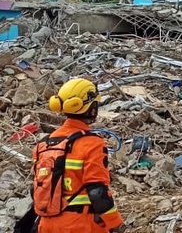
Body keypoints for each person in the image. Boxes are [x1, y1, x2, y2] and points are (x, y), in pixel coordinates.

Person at [30, 78, 125, 232]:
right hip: (80, 224)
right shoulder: (92, 143)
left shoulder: (43, 145)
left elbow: (36, 189)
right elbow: (97, 192)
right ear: (92, 108)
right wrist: (115, 223)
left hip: (46, 225)